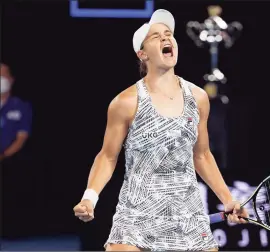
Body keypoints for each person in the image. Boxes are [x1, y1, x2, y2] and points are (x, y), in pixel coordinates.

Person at [73, 9, 248, 251]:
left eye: (168, 34)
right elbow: (108, 156)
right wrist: (89, 198)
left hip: (187, 215)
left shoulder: (198, 98)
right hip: (136, 217)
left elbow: (202, 155)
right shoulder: (125, 102)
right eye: (156, 36)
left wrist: (228, 200)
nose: (166, 39)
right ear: (142, 53)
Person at [0, 63, 32, 161]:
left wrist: (3, 156)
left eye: (3, 76)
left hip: (8, 161)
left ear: (11, 80)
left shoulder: (22, 106)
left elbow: (21, 139)